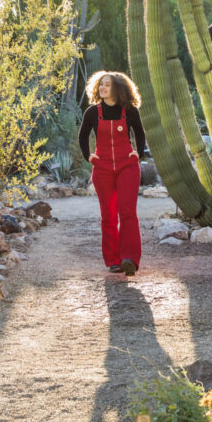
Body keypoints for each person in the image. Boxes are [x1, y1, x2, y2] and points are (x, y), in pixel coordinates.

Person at [78, 71, 146, 276]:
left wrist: (138, 154)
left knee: (127, 213)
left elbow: (139, 133)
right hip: (103, 169)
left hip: (127, 167)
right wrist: (88, 156)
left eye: (107, 84)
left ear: (118, 88)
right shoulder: (92, 112)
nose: (103, 88)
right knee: (108, 216)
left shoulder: (130, 111)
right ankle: (113, 260)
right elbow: (83, 136)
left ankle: (130, 259)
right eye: (100, 85)